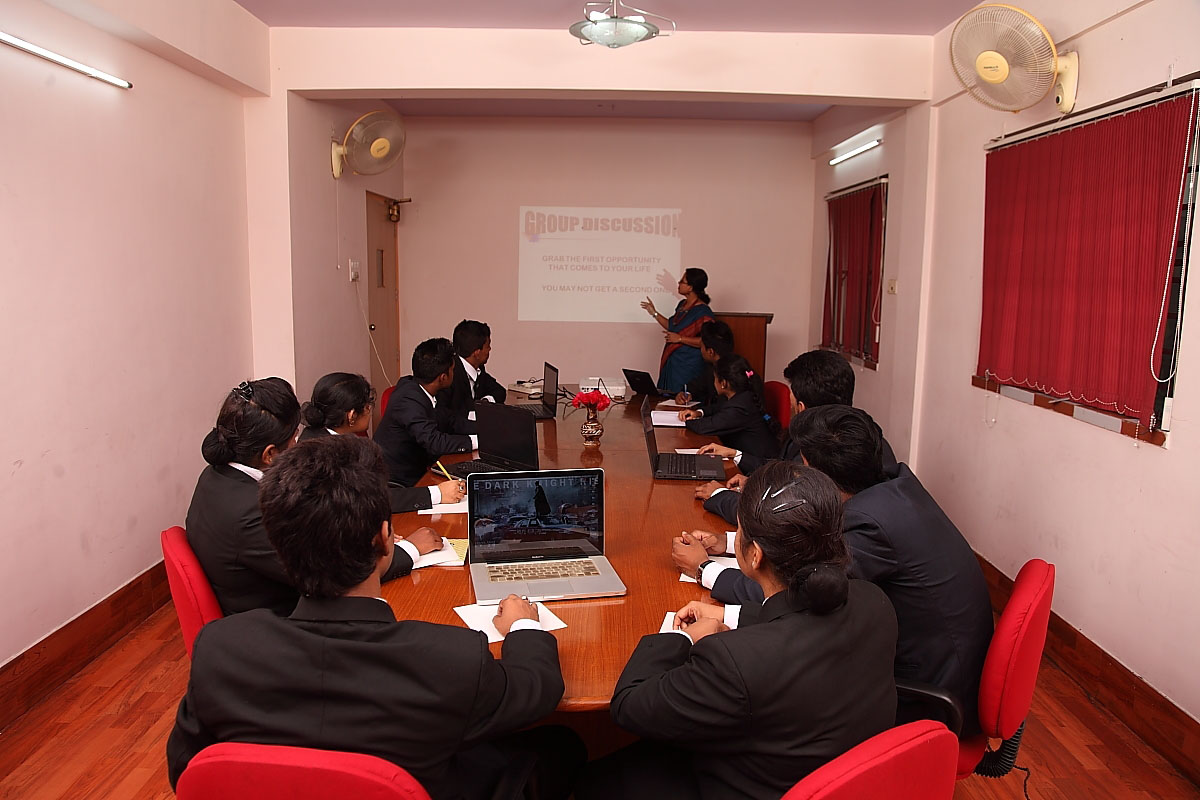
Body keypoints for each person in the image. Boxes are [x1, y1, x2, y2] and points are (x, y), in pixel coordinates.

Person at [168, 436, 583, 799]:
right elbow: (538, 690)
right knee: (564, 746)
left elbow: (186, 772)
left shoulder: (220, 650)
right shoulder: (449, 659)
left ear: (279, 546)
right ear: (385, 540)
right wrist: (524, 627)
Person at [577, 462, 897, 800]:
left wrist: (680, 637)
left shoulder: (734, 662)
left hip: (750, 786)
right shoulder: (873, 601)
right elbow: (798, 621)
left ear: (755, 555)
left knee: (597, 776)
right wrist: (729, 613)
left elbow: (629, 706)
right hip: (840, 779)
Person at [680, 405, 994, 736]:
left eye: (802, 468)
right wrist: (731, 543)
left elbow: (796, 592)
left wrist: (704, 570)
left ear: (823, 478)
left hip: (926, 695)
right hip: (940, 662)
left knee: (757, 698)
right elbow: (801, 555)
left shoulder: (868, 524)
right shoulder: (893, 486)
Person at [186, 378, 441, 616]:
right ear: (270, 454)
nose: (299, 442)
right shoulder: (249, 513)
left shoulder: (216, 476)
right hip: (286, 622)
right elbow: (335, 577)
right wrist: (409, 549)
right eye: (294, 438)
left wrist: (359, 535)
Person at [695, 348, 897, 525]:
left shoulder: (825, 451)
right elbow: (783, 473)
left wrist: (719, 495)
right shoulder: (866, 435)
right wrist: (752, 476)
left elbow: (778, 516)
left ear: (801, 408)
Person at [301, 371, 464, 511]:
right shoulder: (328, 456)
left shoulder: (314, 437)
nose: (370, 410)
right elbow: (372, 499)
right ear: (351, 416)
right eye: (367, 405)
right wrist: (438, 493)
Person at [374, 338, 477, 487]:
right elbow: (434, 442)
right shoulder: (408, 399)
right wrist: (476, 442)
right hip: (397, 483)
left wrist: (487, 431)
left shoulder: (423, 388)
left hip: (418, 471)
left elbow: (450, 421)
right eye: (453, 370)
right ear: (443, 377)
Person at [677, 354, 779, 461]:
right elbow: (718, 408)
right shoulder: (742, 396)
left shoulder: (740, 407)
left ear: (723, 383)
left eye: (715, 378)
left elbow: (705, 427)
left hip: (757, 466)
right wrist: (699, 413)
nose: (714, 382)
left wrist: (683, 422)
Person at [639, 268, 714, 393]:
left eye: (682, 281)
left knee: (682, 398)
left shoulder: (703, 312)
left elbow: (708, 341)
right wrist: (654, 313)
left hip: (688, 364)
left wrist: (680, 339)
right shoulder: (681, 305)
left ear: (691, 287)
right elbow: (671, 326)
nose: (678, 283)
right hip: (673, 361)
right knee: (666, 398)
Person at [438, 319, 507, 434]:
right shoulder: (448, 375)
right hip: (454, 439)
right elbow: (445, 418)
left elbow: (499, 391)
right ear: (477, 352)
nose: (490, 349)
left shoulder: (478, 368)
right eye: (488, 346)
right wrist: (479, 423)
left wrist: (485, 403)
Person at [674, 320, 735, 409]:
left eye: (701, 346)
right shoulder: (711, 368)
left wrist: (699, 413)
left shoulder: (733, 373)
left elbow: (721, 410)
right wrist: (684, 394)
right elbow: (696, 386)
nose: (700, 349)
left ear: (710, 352)